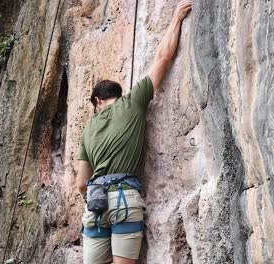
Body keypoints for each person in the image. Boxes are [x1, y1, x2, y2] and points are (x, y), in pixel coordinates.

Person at [76, 1, 192, 263]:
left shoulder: (88, 129)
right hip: (124, 200)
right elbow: (163, 58)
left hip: (95, 205)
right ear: (119, 94)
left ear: (97, 102)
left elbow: (81, 183)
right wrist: (176, 18)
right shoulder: (132, 102)